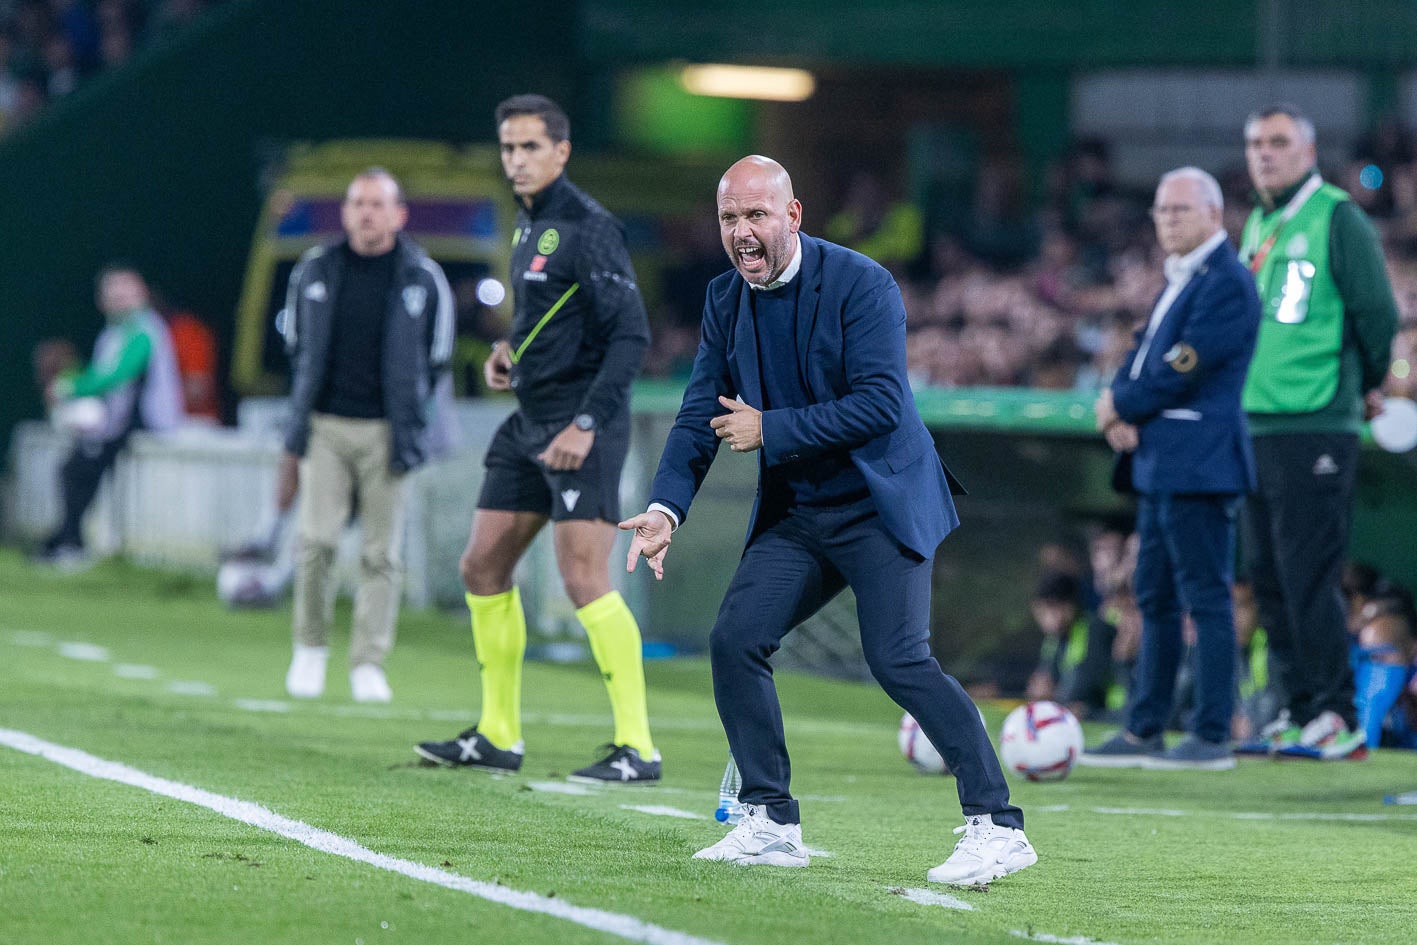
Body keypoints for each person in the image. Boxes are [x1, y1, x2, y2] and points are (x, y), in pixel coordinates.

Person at [619, 155, 1034, 883]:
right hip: (801, 511)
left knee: (899, 660)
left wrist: (770, 429)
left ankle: (997, 826)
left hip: (881, 502)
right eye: (727, 218)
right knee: (735, 639)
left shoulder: (863, 283)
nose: (741, 232)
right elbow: (697, 417)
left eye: (754, 216)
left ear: (793, 215)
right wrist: (665, 509)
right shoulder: (724, 300)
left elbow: (881, 403)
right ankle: (771, 819)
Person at [414, 94, 661, 783]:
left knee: (584, 578)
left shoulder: (588, 226)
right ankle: (498, 733)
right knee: (480, 566)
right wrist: (511, 354)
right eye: (507, 147)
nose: (515, 160)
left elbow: (630, 335)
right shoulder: (528, 227)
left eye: (528, 147)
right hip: (527, 420)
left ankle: (638, 746)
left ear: (561, 151)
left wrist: (585, 424)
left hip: (582, 423)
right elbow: (553, 318)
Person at [1083, 167, 1261, 770]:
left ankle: (1211, 735)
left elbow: (1184, 366)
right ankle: (1144, 729)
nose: (1167, 220)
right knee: (1153, 594)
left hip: (1200, 464)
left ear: (1214, 214)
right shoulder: (1183, 278)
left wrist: (1119, 404)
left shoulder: (1227, 282)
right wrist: (1118, 408)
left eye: (1180, 209)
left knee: (1206, 598)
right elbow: (1143, 353)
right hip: (1163, 462)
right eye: (1161, 210)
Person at [1237, 105, 1398, 760]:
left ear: (1306, 150)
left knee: (1308, 573)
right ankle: (1297, 707)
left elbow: (1376, 310)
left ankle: (1336, 712)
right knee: (1268, 578)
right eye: (1254, 143)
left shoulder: (1336, 216)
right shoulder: (1259, 220)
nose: (1263, 153)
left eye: (1277, 142)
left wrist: (1366, 380)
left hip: (1313, 419)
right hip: (1254, 421)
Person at [278, 167, 455, 703]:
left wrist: (413, 421)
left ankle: (368, 662)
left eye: (378, 204)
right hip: (326, 424)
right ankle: (309, 649)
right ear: (346, 211)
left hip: (388, 430)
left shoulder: (421, 276)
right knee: (317, 542)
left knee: (382, 553)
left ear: (399, 214)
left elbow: (438, 354)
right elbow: (294, 342)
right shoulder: (314, 268)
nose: (366, 212)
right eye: (357, 203)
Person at [38, 265, 184, 567]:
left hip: (146, 422)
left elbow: (118, 375)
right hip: (119, 422)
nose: (120, 300)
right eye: (113, 294)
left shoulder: (146, 329)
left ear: (143, 295)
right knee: (73, 467)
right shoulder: (112, 334)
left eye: (127, 293)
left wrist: (68, 386)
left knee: (79, 467)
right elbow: (99, 376)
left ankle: (69, 543)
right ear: (102, 301)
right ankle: (66, 538)